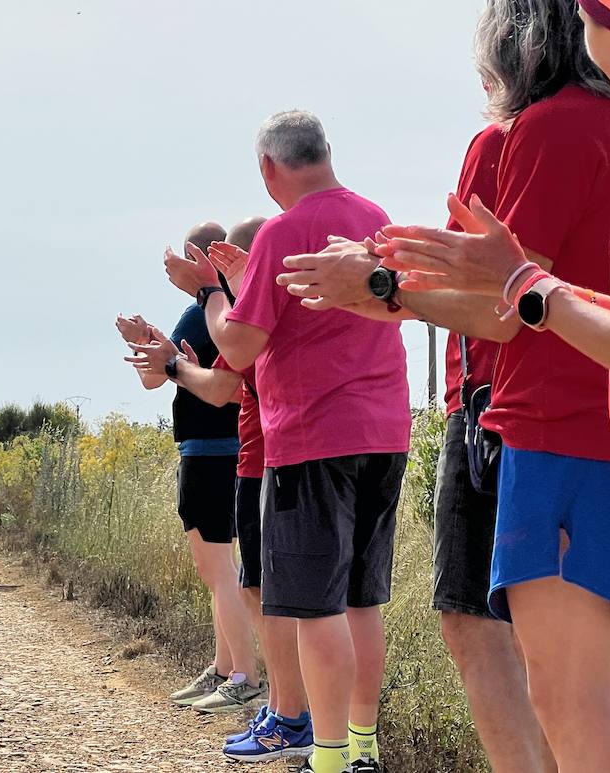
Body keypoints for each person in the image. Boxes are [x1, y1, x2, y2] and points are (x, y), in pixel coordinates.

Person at [275, 8, 610, 767]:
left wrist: (388, 288)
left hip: (556, 428)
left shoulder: (551, 128)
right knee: (583, 695)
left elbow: (502, 308)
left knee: (571, 701)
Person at [198, 111, 410, 773]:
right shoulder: (377, 217)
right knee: (362, 598)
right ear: (326, 152)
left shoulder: (284, 231)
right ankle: (363, 749)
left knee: (317, 605)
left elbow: (237, 343)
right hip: (386, 430)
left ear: (269, 168)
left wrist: (217, 293)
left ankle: (325, 755)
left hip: (314, 436)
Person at [117, 220, 263, 715]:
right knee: (228, 571)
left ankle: (242, 673)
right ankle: (226, 668)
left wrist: (149, 346)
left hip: (206, 451)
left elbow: (155, 383)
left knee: (219, 571)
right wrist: (157, 344)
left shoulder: (202, 313)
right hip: (236, 450)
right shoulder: (239, 309)